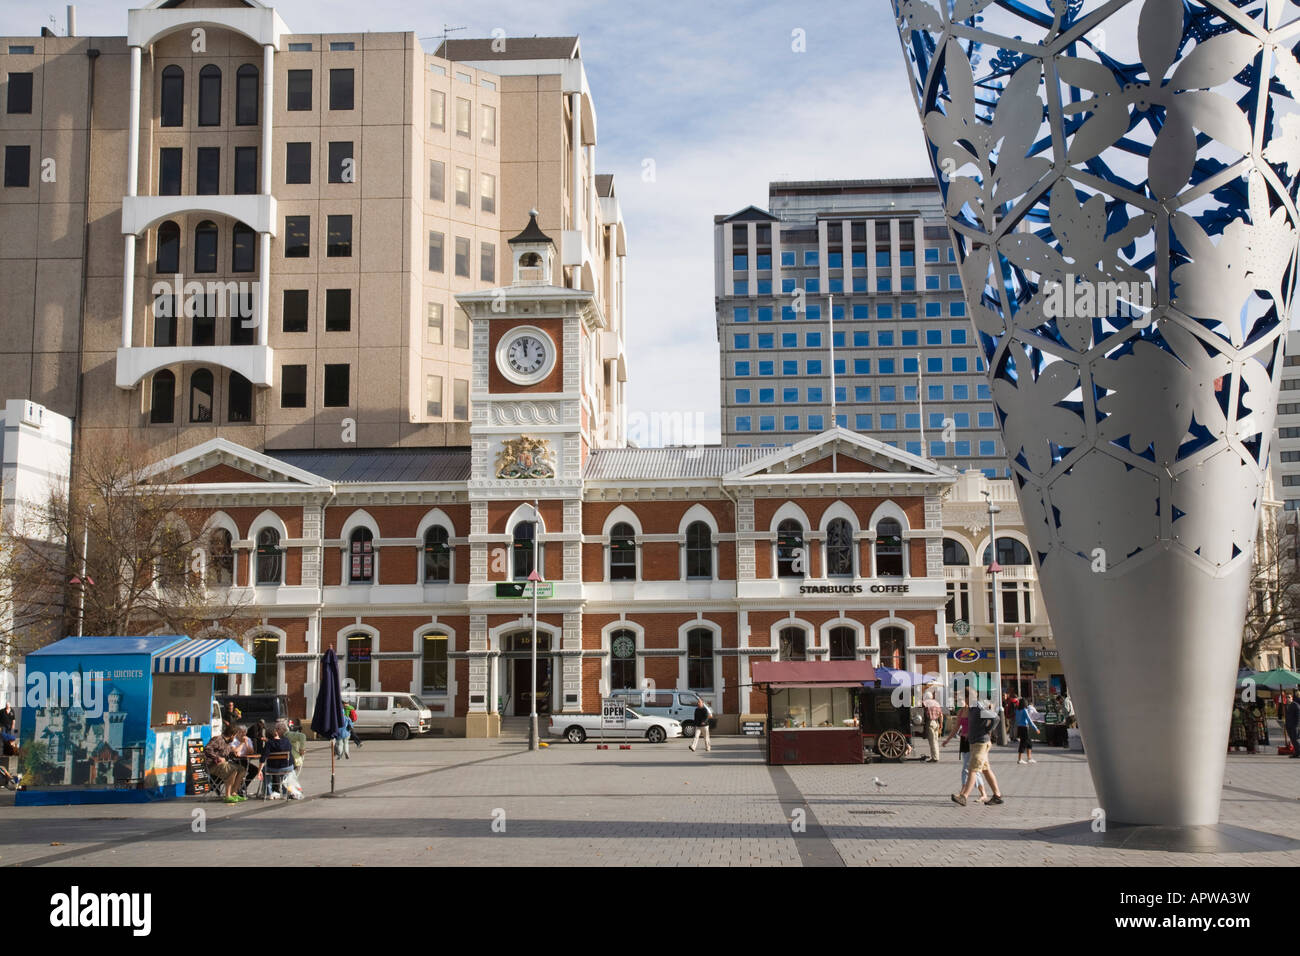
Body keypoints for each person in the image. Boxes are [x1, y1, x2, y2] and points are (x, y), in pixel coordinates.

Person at [952, 692, 1004, 806]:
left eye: (961, 698)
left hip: (980, 743)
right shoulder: (971, 709)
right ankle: (997, 795)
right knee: (986, 770)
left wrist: (987, 729)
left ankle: (964, 796)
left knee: (973, 769)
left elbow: (996, 718)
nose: (960, 701)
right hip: (975, 742)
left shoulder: (978, 707)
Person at [941, 696, 989, 800]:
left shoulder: (974, 711)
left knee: (967, 769)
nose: (959, 702)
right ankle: (983, 793)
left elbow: (983, 723)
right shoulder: (961, 712)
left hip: (973, 740)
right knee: (973, 769)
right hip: (964, 741)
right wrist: (947, 740)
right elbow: (956, 727)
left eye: (961, 700)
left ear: (967, 699)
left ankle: (963, 794)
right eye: (957, 700)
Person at [204, 723, 246, 803]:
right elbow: (207, 749)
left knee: (241, 769)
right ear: (232, 735)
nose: (234, 738)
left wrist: (241, 745)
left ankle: (234, 793)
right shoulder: (218, 739)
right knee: (232, 769)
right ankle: (227, 796)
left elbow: (233, 751)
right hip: (212, 765)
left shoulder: (227, 743)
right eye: (235, 736)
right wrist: (217, 757)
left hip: (222, 765)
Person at [260, 722, 293, 796]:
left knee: (265, 770)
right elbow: (290, 751)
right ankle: (285, 792)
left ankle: (268, 792)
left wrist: (259, 770)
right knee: (286, 773)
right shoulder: (286, 741)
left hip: (272, 768)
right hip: (287, 767)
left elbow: (263, 757)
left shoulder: (269, 743)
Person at [229, 724, 259, 794]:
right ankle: (236, 789)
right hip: (235, 761)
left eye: (245, 732)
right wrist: (242, 743)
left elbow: (251, 752)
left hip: (244, 760)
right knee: (241, 770)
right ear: (238, 732)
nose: (243, 734)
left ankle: (243, 787)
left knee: (255, 770)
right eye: (241, 732)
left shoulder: (248, 739)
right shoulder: (234, 740)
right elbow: (235, 752)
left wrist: (246, 744)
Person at [921, 690, 943, 763]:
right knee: (936, 740)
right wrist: (941, 724)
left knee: (932, 741)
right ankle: (937, 756)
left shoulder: (925, 703)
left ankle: (935, 757)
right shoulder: (937, 703)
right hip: (937, 722)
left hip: (930, 722)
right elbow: (941, 715)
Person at [1016, 698, 1038, 764]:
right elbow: (1029, 720)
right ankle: (1020, 759)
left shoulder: (1017, 710)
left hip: (1019, 728)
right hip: (1024, 728)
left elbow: (1017, 719)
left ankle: (1029, 758)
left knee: (1029, 743)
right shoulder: (1024, 710)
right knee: (1023, 743)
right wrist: (1036, 728)